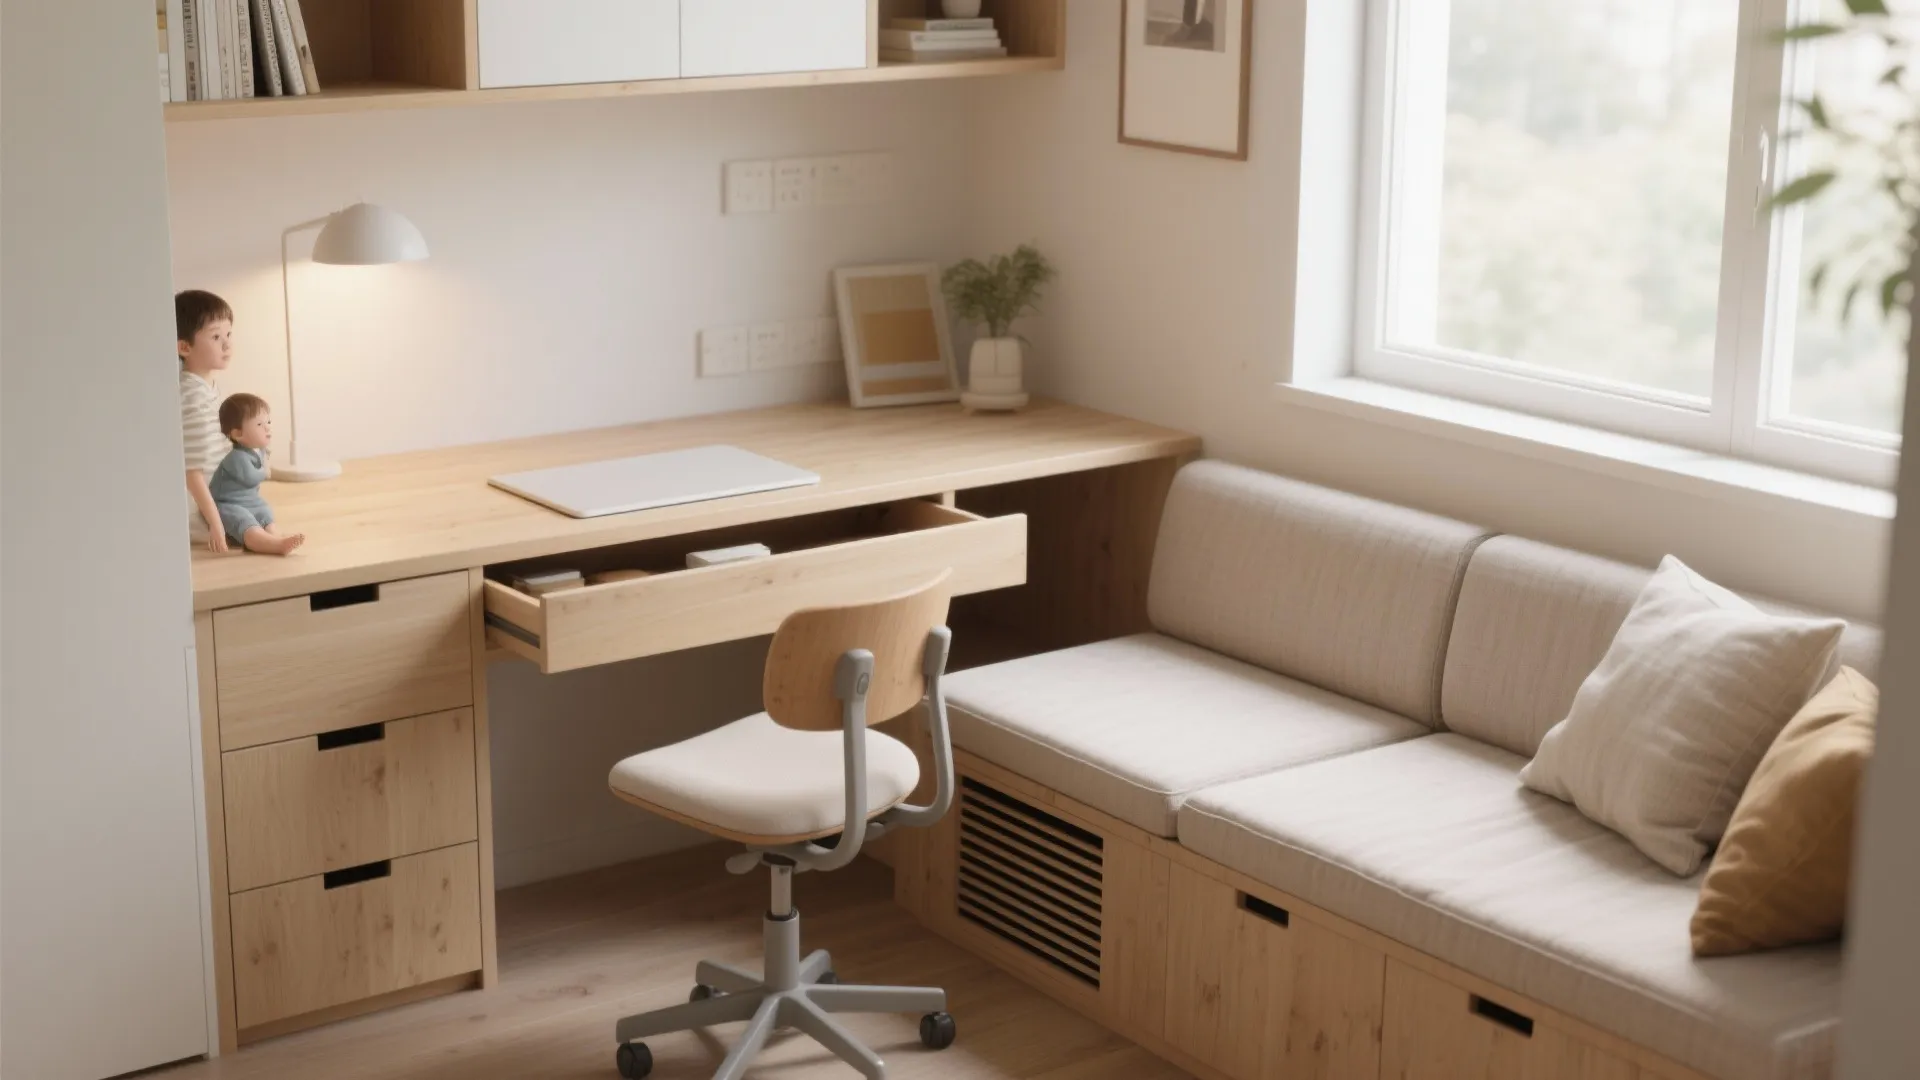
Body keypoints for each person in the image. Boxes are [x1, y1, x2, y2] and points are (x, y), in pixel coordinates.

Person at [209, 393, 305, 556]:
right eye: (259, 424)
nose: (268, 427)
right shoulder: (235, 458)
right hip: (227, 504)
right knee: (244, 520)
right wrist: (265, 471)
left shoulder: (257, 450)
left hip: (251, 500)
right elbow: (250, 478)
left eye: (268, 422)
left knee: (264, 511)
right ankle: (270, 544)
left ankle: (275, 536)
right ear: (238, 434)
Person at [178, 290, 236, 551]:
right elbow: (193, 471)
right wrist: (215, 523)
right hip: (203, 511)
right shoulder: (192, 397)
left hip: (219, 496)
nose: (226, 345)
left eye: (228, 334)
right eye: (216, 336)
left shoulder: (205, 388)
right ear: (184, 347)